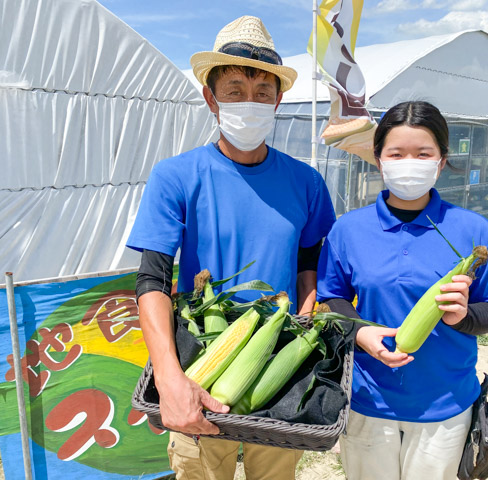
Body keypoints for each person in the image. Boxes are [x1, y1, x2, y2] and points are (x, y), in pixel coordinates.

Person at [126, 16, 336, 480]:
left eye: (263, 93)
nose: (250, 102)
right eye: (235, 89)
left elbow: (309, 258)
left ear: (278, 101)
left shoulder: (306, 182)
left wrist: (306, 304)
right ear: (211, 98)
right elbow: (153, 278)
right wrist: (169, 377)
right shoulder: (176, 176)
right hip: (202, 356)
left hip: (276, 358)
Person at [317, 101, 488, 480]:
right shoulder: (348, 230)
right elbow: (331, 297)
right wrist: (360, 331)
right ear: (378, 159)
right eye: (397, 153)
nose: (410, 162)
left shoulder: (474, 231)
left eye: (423, 153)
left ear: (441, 161)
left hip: (444, 403)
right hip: (368, 399)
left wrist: (465, 317)